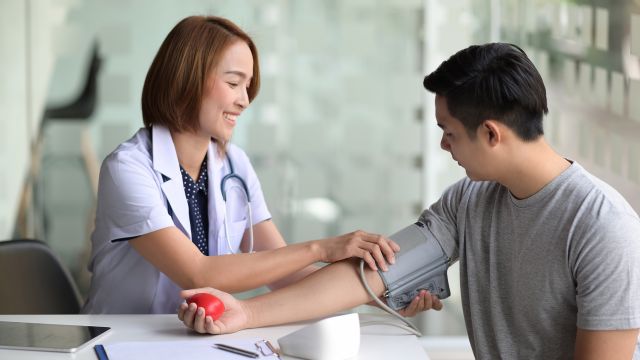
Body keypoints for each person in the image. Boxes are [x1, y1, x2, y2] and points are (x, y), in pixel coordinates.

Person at [178, 43, 640, 359]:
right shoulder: (469, 201)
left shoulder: (602, 227)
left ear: (492, 134)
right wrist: (247, 313)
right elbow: (372, 274)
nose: (443, 147)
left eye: (449, 133)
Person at [82, 15, 439, 315]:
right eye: (234, 82)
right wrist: (323, 248)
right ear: (186, 79)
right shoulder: (127, 168)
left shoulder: (233, 164)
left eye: (248, 86)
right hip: (123, 340)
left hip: (196, 337)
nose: (244, 100)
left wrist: (384, 295)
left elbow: (286, 275)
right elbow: (198, 272)